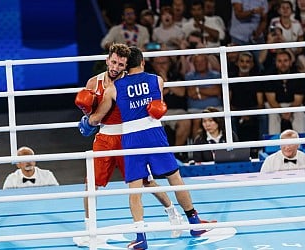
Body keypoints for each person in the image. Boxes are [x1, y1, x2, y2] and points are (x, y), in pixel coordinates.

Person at [81, 46, 214, 249]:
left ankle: (143, 236)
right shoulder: (157, 80)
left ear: (126, 65)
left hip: (131, 139)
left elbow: (97, 117)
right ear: (142, 62)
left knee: (137, 188)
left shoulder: (114, 89)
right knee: (175, 180)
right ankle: (194, 222)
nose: (116, 67)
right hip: (151, 135)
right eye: (114, 62)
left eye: (121, 63)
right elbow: (157, 105)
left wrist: (86, 122)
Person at [264, 50, 305, 134]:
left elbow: (298, 100)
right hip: (276, 105)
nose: (283, 64)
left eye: (285, 61)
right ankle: (273, 144)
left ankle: (301, 142)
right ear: (276, 63)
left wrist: (289, 111)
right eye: (279, 61)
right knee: (272, 114)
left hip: (292, 104)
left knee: (300, 114)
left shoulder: (298, 76)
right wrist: (282, 111)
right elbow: (271, 101)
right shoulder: (270, 76)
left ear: (290, 62)